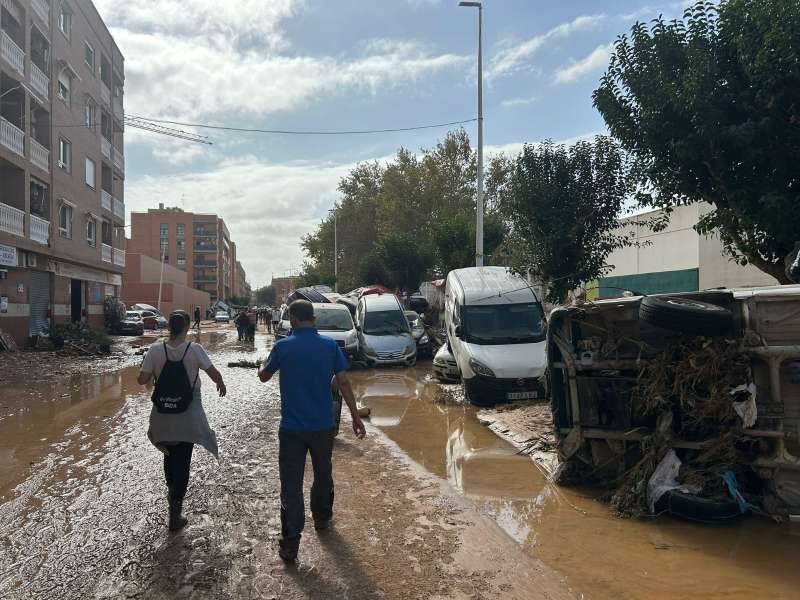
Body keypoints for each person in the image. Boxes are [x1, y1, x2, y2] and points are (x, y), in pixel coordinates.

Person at [258, 300, 366, 562]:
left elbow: (264, 376)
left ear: (293, 319)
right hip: (323, 427)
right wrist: (355, 417)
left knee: (291, 484)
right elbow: (344, 383)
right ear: (313, 319)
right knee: (323, 471)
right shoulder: (329, 347)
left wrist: (261, 364)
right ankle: (322, 518)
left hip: (292, 428)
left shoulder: (282, 346)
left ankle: (291, 541)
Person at [137, 311, 227, 532]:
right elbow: (213, 373)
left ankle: (172, 494)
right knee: (183, 458)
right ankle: (175, 510)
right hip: (188, 412)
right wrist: (221, 383)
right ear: (187, 327)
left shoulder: (155, 350)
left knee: (168, 453)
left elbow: (142, 380)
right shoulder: (194, 349)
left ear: (169, 326)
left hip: (162, 413)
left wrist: (146, 364)